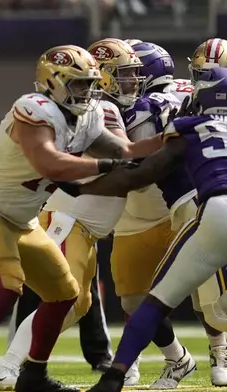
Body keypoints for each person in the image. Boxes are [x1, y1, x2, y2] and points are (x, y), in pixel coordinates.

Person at [0, 44, 162, 392]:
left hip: (23, 220)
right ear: (53, 82)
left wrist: (179, 136)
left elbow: (127, 150)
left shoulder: (86, 118)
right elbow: (49, 164)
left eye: (89, 84)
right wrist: (105, 166)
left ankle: (34, 375)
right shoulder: (32, 109)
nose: (87, 92)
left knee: (65, 293)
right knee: (6, 289)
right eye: (79, 84)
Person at [60, 66, 227, 392]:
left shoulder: (190, 126)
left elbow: (140, 174)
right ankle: (200, 356)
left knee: (156, 301)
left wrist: (81, 189)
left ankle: (115, 376)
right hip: (197, 210)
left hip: (216, 210)